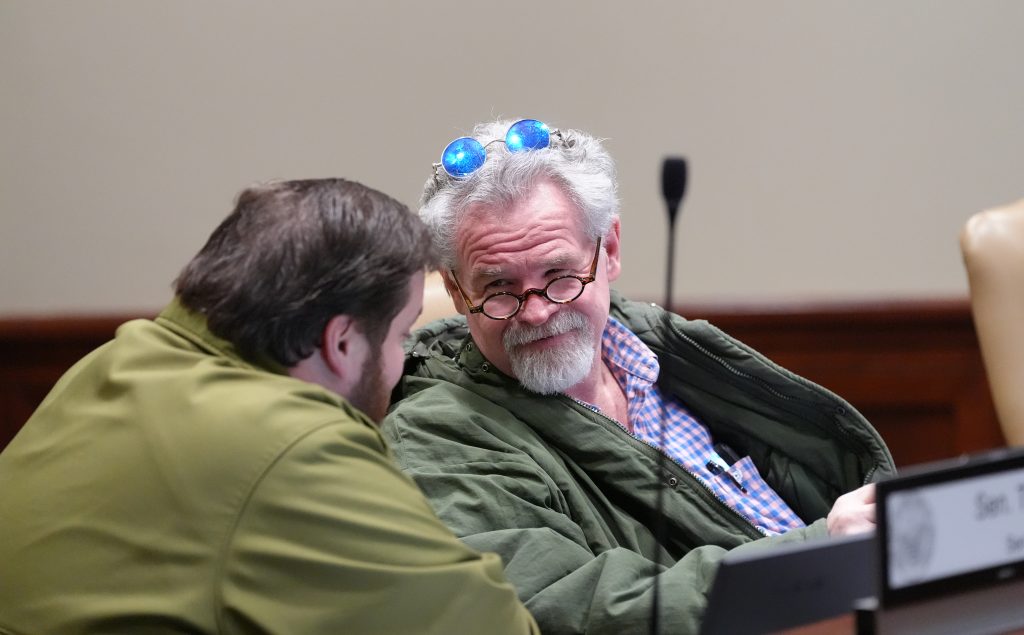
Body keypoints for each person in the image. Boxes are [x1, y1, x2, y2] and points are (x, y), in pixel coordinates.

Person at [383, 120, 896, 634]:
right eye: (499, 289)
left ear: (609, 252)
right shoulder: (437, 435)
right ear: (454, 289)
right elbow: (576, 612)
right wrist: (821, 552)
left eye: (559, 276)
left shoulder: (667, 351)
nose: (536, 313)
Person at [0, 178, 538, 635]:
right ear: (343, 342)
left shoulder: (118, 359)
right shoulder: (295, 449)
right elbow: (489, 623)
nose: (402, 362)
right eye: (402, 336)